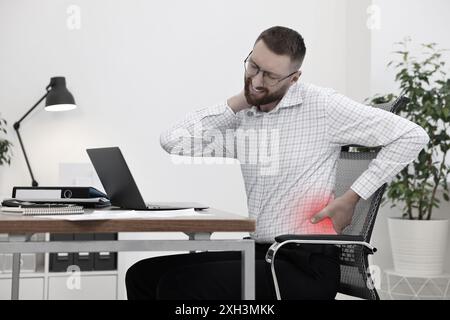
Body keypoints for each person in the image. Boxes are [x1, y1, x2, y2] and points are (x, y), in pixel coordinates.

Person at [126, 26, 429, 300]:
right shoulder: (244, 115)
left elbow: (412, 136)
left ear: (294, 78)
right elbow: (173, 140)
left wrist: (353, 197)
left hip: (305, 266)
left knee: (180, 286)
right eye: (253, 66)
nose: (256, 81)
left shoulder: (322, 106)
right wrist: (239, 101)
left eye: (269, 76)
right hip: (263, 252)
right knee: (142, 275)